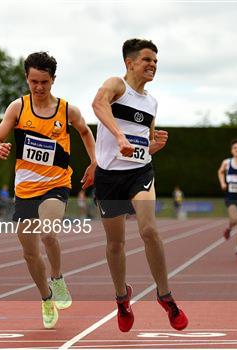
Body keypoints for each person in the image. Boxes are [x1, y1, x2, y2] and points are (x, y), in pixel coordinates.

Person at [0, 52, 97, 328]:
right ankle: (46, 298)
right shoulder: (18, 108)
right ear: (27, 78)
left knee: (48, 232)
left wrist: (95, 162)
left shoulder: (66, 110)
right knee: (29, 252)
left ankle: (58, 278)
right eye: (34, 81)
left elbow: (85, 131)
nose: (39, 87)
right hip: (25, 188)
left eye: (44, 82)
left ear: (53, 80)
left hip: (56, 184)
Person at [92, 38, 188, 332]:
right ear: (129, 63)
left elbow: (143, 144)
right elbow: (97, 104)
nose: (153, 66)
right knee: (116, 243)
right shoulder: (116, 85)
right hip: (109, 176)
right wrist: (119, 137)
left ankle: (165, 296)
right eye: (147, 60)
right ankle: (122, 298)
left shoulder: (151, 102)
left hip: (139, 172)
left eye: (156, 62)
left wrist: (154, 145)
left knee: (149, 229)